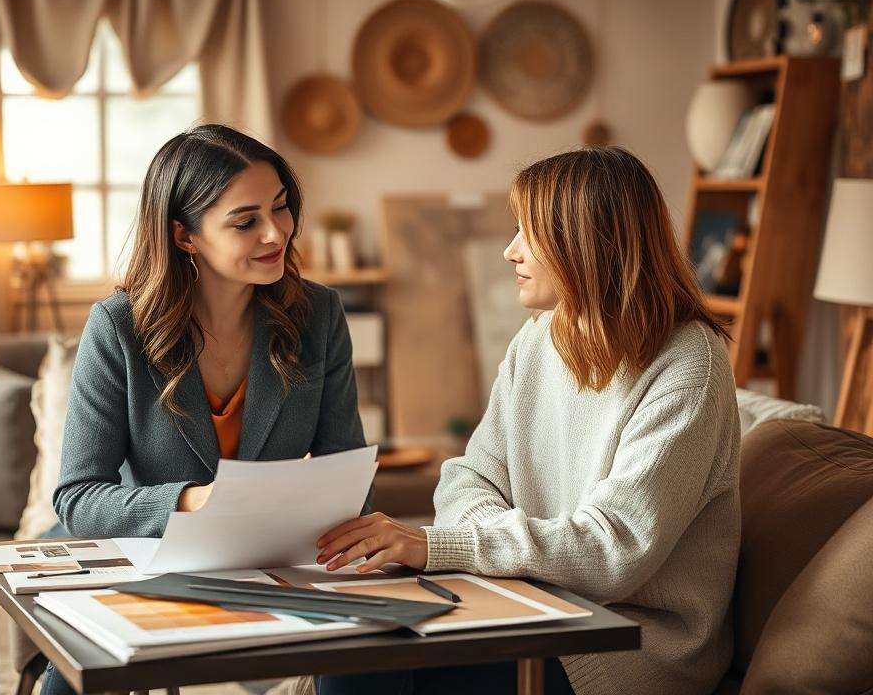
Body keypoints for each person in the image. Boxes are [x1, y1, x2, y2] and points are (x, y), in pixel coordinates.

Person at [315, 147, 741, 695]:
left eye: (529, 233)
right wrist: (497, 548)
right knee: (350, 645)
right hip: (524, 600)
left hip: (629, 643)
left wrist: (445, 546)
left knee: (364, 667)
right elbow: (467, 478)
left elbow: (615, 549)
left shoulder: (689, 363)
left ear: (586, 243)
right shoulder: (539, 338)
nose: (509, 251)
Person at [39, 124, 367, 695]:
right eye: (245, 221)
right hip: (147, 555)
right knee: (77, 673)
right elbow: (78, 498)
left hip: (269, 562)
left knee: (367, 657)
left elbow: (349, 474)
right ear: (185, 235)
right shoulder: (118, 328)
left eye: (281, 207)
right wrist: (197, 502)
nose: (276, 232)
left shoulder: (318, 314)